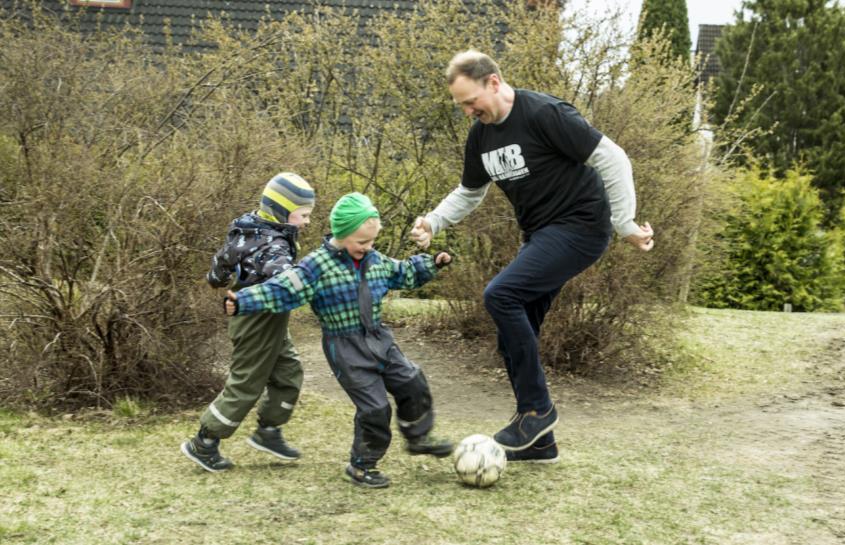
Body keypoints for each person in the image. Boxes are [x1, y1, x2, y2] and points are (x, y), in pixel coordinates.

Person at [410, 50, 654, 464]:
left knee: (500, 295)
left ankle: (536, 411)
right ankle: (541, 443)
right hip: (541, 235)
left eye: (471, 101)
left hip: (580, 227)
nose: (469, 111)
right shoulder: (481, 136)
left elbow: (610, 157)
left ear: (493, 82)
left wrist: (624, 223)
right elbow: (471, 192)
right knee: (514, 330)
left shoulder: (543, 113)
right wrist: (434, 221)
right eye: (461, 106)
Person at [225, 192, 454, 488]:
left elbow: (402, 272)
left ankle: (418, 436)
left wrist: (432, 263)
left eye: (371, 242)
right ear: (342, 233)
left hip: (378, 338)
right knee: (375, 408)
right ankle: (362, 465)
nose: (368, 248)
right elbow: (281, 289)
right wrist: (242, 301)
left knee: (412, 380)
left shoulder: (374, 259)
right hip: (344, 347)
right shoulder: (316, 266)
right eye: (361, 242)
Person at [180, 172, 316, 473]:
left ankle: (268, 431)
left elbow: (222, 259)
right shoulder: (272, 246)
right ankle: (205, 441)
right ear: (282, 211)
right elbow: (283, 276)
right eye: (303, 215)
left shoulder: (247, 229)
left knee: (289, 372)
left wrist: (215, 278)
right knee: (246, 384)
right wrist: (309, 281)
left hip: (271, 321)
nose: (307, 222)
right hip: (255, 321)